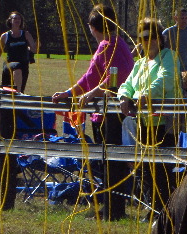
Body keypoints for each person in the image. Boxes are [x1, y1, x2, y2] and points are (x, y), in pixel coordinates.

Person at [51, 4, 135, 221]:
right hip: (105, 113)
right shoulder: (114, 44)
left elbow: (116, 78)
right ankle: (109, 207)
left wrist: (90, 94)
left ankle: (113, 210)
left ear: (92, 27)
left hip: (112, 114)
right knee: (106, 162)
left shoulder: (109, 45)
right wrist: (68, 92)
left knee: (111, 161)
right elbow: (89, 77)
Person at [117, 17, 182, 211]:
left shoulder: (169, 56)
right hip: (143, 123)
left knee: (162, 170)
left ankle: (165, 209)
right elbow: (126, 84)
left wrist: (146, 94)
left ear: (160, 38)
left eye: (153, 36)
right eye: (144, 37)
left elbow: (166, 79)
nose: (149, 41)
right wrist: (124, 97)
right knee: (145, 168)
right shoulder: (140, 64)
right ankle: (154, 207)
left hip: (164, 123)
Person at [0, 12, 36, 92]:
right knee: (17, 66)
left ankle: (19, 95)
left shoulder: (26, 34)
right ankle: (18, 93)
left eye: (19, 18)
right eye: (15, 18)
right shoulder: (5, 36)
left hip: (24, 66)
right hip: (9, 64)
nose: (17, 20)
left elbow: (33, 49)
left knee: (20, 89)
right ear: (10, 21)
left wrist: (35, 46)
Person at [163, 8, 187, 74]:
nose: (184, 20)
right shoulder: (168, 32)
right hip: (172, 67)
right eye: (182, 18)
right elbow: (160, 48)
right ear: (175, 18)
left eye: (186, 18)